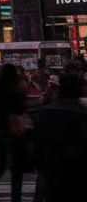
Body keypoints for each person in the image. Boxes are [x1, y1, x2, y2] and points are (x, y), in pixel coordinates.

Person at [33, 71, 87, 201]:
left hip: (54, 177)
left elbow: (38, 147)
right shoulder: (82, 113)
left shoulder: (46, 112)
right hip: (78, 178)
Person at [0, 63, 28, 201]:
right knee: (16, 168)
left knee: (2, 164)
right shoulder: (13, 90)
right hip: (11, 130)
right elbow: (19, 109)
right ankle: (16, 197)